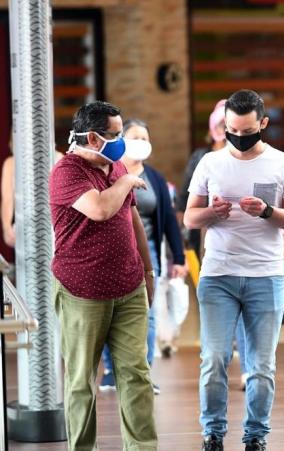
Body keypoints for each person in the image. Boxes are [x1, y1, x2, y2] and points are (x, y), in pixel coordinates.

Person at [184, 89, 284, 451]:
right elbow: (190, 217)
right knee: (214, 358)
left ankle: (256, 436)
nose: (238, 137)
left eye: (247, 130)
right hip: (218, 275)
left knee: (261, 366)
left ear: (263, 123)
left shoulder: (282, 163)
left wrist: (267, 211)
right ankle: (213, 433)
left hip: (266, 276)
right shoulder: (210, 163)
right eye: (232, 130)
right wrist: (212, 213)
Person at [49, 101, 157, 451]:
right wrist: (125, 181)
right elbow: (100, 208)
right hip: (82, 292)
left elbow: (132, 219)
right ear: (93, 138)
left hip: (129, 287)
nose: (122, 141)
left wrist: (148, 271)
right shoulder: (67, 171)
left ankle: (142, 447)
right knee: (81, 380)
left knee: (136, 375)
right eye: (116, 134)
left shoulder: (116, 165)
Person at [98, 118, 188, 394]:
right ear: (121, 139)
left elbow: (169, 219)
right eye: (135, 137)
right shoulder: (108, 171)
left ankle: (143, 374)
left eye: (145, 138)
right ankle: (111, 371)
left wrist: (179, 257)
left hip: (147, 249)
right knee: (109, 310)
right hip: (111, 249)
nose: (141, 143)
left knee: (147, 311)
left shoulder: (155, 179)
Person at [235, 230, 284, 391]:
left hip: (268, 255)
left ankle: (259, 370)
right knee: (241, 315)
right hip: (232, 254)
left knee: (263, 320)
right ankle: (247, 371)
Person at [177, 99, 228, 257]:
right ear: (213, 128)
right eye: (222, 124)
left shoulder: (243, 157)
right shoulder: (200, 158)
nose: (226, 130)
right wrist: (181, 241)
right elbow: (184, 199)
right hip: (202, 230)